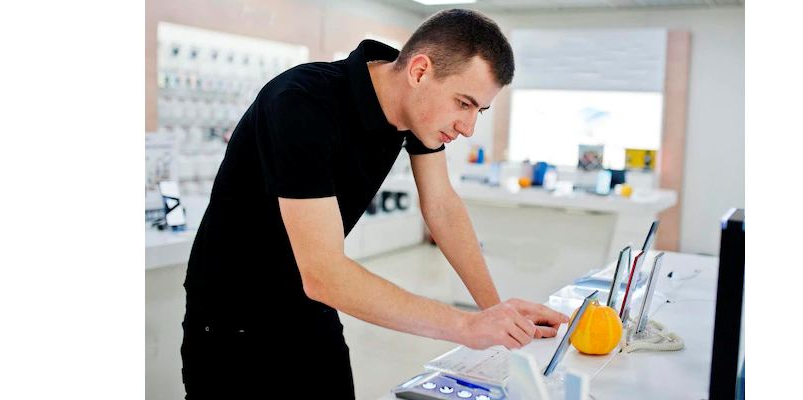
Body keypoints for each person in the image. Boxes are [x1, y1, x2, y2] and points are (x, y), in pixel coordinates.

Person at [179, 8, 569, 399]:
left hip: (309, 306)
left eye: (479, 110)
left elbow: (441, 206)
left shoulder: (415, 109)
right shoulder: (301, 102)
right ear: (419, 71)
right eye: (463, 104)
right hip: (234, 318)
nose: (468, 128)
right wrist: (466, 327)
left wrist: (495, 312)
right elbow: (323, 273)